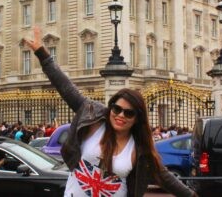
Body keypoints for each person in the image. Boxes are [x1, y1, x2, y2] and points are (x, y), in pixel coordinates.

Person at [23, 26, 196, 197]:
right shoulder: (93, 117)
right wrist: (42, 54)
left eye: (128, 113)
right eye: (117, 109)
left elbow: (164, 176)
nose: (120, 115)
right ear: (111, 107)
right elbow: (66, 87)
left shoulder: (138, 147)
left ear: (137, 118)